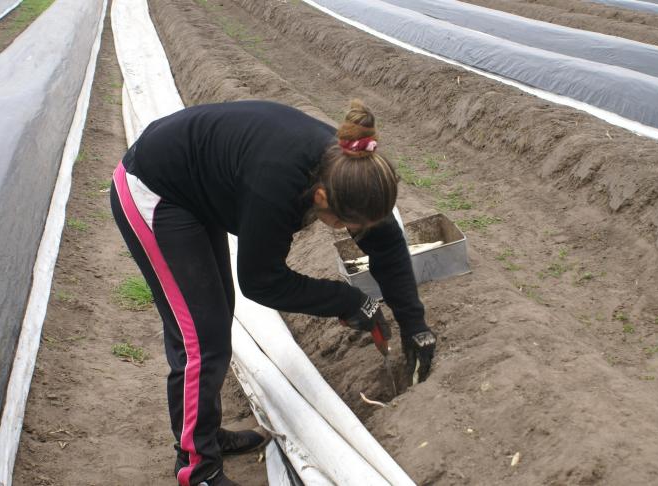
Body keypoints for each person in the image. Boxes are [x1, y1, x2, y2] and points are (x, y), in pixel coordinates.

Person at [110, 99, 436, 486]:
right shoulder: (278, 185)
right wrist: (347, 300)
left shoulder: (350, 172)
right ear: (320, 201)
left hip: (193, 186)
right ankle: (196, 468)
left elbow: (386, 244)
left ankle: (206, 435)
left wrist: (414, 324)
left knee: (214, 319)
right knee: (202, 337)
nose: (356, 232)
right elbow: (262, 281)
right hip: (155, 189)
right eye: (348, 225)